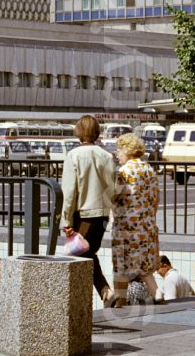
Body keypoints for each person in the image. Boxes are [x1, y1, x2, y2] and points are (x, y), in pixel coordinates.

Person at [61, 114, 118, 306]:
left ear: (78, 131)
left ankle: (98, 294)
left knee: (78, 256)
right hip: (102, 214)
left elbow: (69, 192)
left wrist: (66, 221)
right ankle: (105, 293)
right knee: (88, 253)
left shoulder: (74, 155)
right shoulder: (107, 156)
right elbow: (114, 188)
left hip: (82, 214)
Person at [110, 132, 160, 305]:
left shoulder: (124, 172)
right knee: (143, 265)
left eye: (119, 150)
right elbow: (156, 199)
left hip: (126, 225)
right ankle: (157, 292)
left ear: (127, 150)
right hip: (147, 224)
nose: (117, 154)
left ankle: (120, 301)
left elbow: (114, 195)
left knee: (122, 264)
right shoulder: (149, 169)